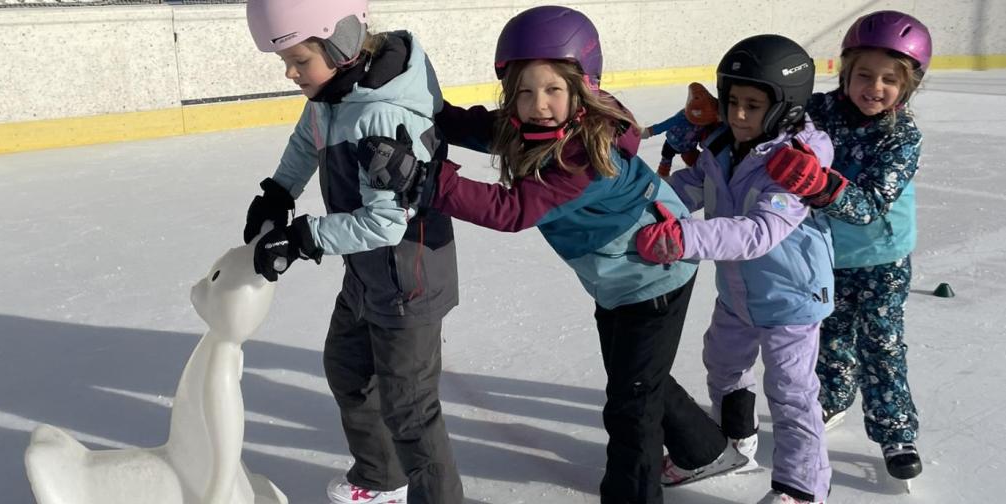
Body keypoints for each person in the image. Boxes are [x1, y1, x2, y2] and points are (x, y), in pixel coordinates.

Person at [356, 6, 746, 503]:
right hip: (618, 279)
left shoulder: (584, 154)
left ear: (580, 89)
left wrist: (428, 180)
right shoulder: (538, 126)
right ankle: (706, 451)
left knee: (631, 404)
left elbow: (512, 210)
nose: (538, 104)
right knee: (636, 378)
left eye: (552, 90)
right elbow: (485, 128)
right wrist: (419, 99)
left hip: (654, 279)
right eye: (524, 91)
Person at [242, 1, 462, 502]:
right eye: (285, 62)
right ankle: (383, 477)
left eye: (299, 60)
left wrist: (303, 238)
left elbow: (386, 223)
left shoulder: (383, 114)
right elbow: (307, 139)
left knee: (410, 409)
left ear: (339, 42)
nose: (290, 73)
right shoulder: (332, 93)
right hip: (366, 273)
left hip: (409, 278)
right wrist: (279, 190)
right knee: (347, 368)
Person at [636, 34, 835, 504]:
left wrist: (683, 238)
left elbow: (759, 232)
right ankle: (735, 442)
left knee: (791, 392)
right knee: (723, 364)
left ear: (784, 108)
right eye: (731, 102)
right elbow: (694, 185)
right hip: (738, 291)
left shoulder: (797, 163)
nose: (739, 115)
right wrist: (639, 203)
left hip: (791, 297)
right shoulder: (724, 145)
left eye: (752, 105)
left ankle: (801, 489)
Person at [762, 10, 932, 485]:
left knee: (882, 343)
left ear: (909, 85)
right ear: (845, 70)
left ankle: (895, 428)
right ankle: (832, 396)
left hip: (882, 257)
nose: (873, 88)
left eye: (889, 80)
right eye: (863, 75)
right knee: (830, 334)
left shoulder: (902, 136)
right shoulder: (821, 110)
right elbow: (772, 121)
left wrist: (819, 184)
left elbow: (870, 205)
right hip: (824, 252)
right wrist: (719, 117)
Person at [640, 82, 721, 177]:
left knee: (692, 162)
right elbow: (665, 125)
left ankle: (693, 174)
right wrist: (649, 131)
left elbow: (709, 135)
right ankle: (663, 175)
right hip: (671, 144)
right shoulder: (681, 118)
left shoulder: (707, 124)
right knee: (665, 161)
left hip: (689, 149)